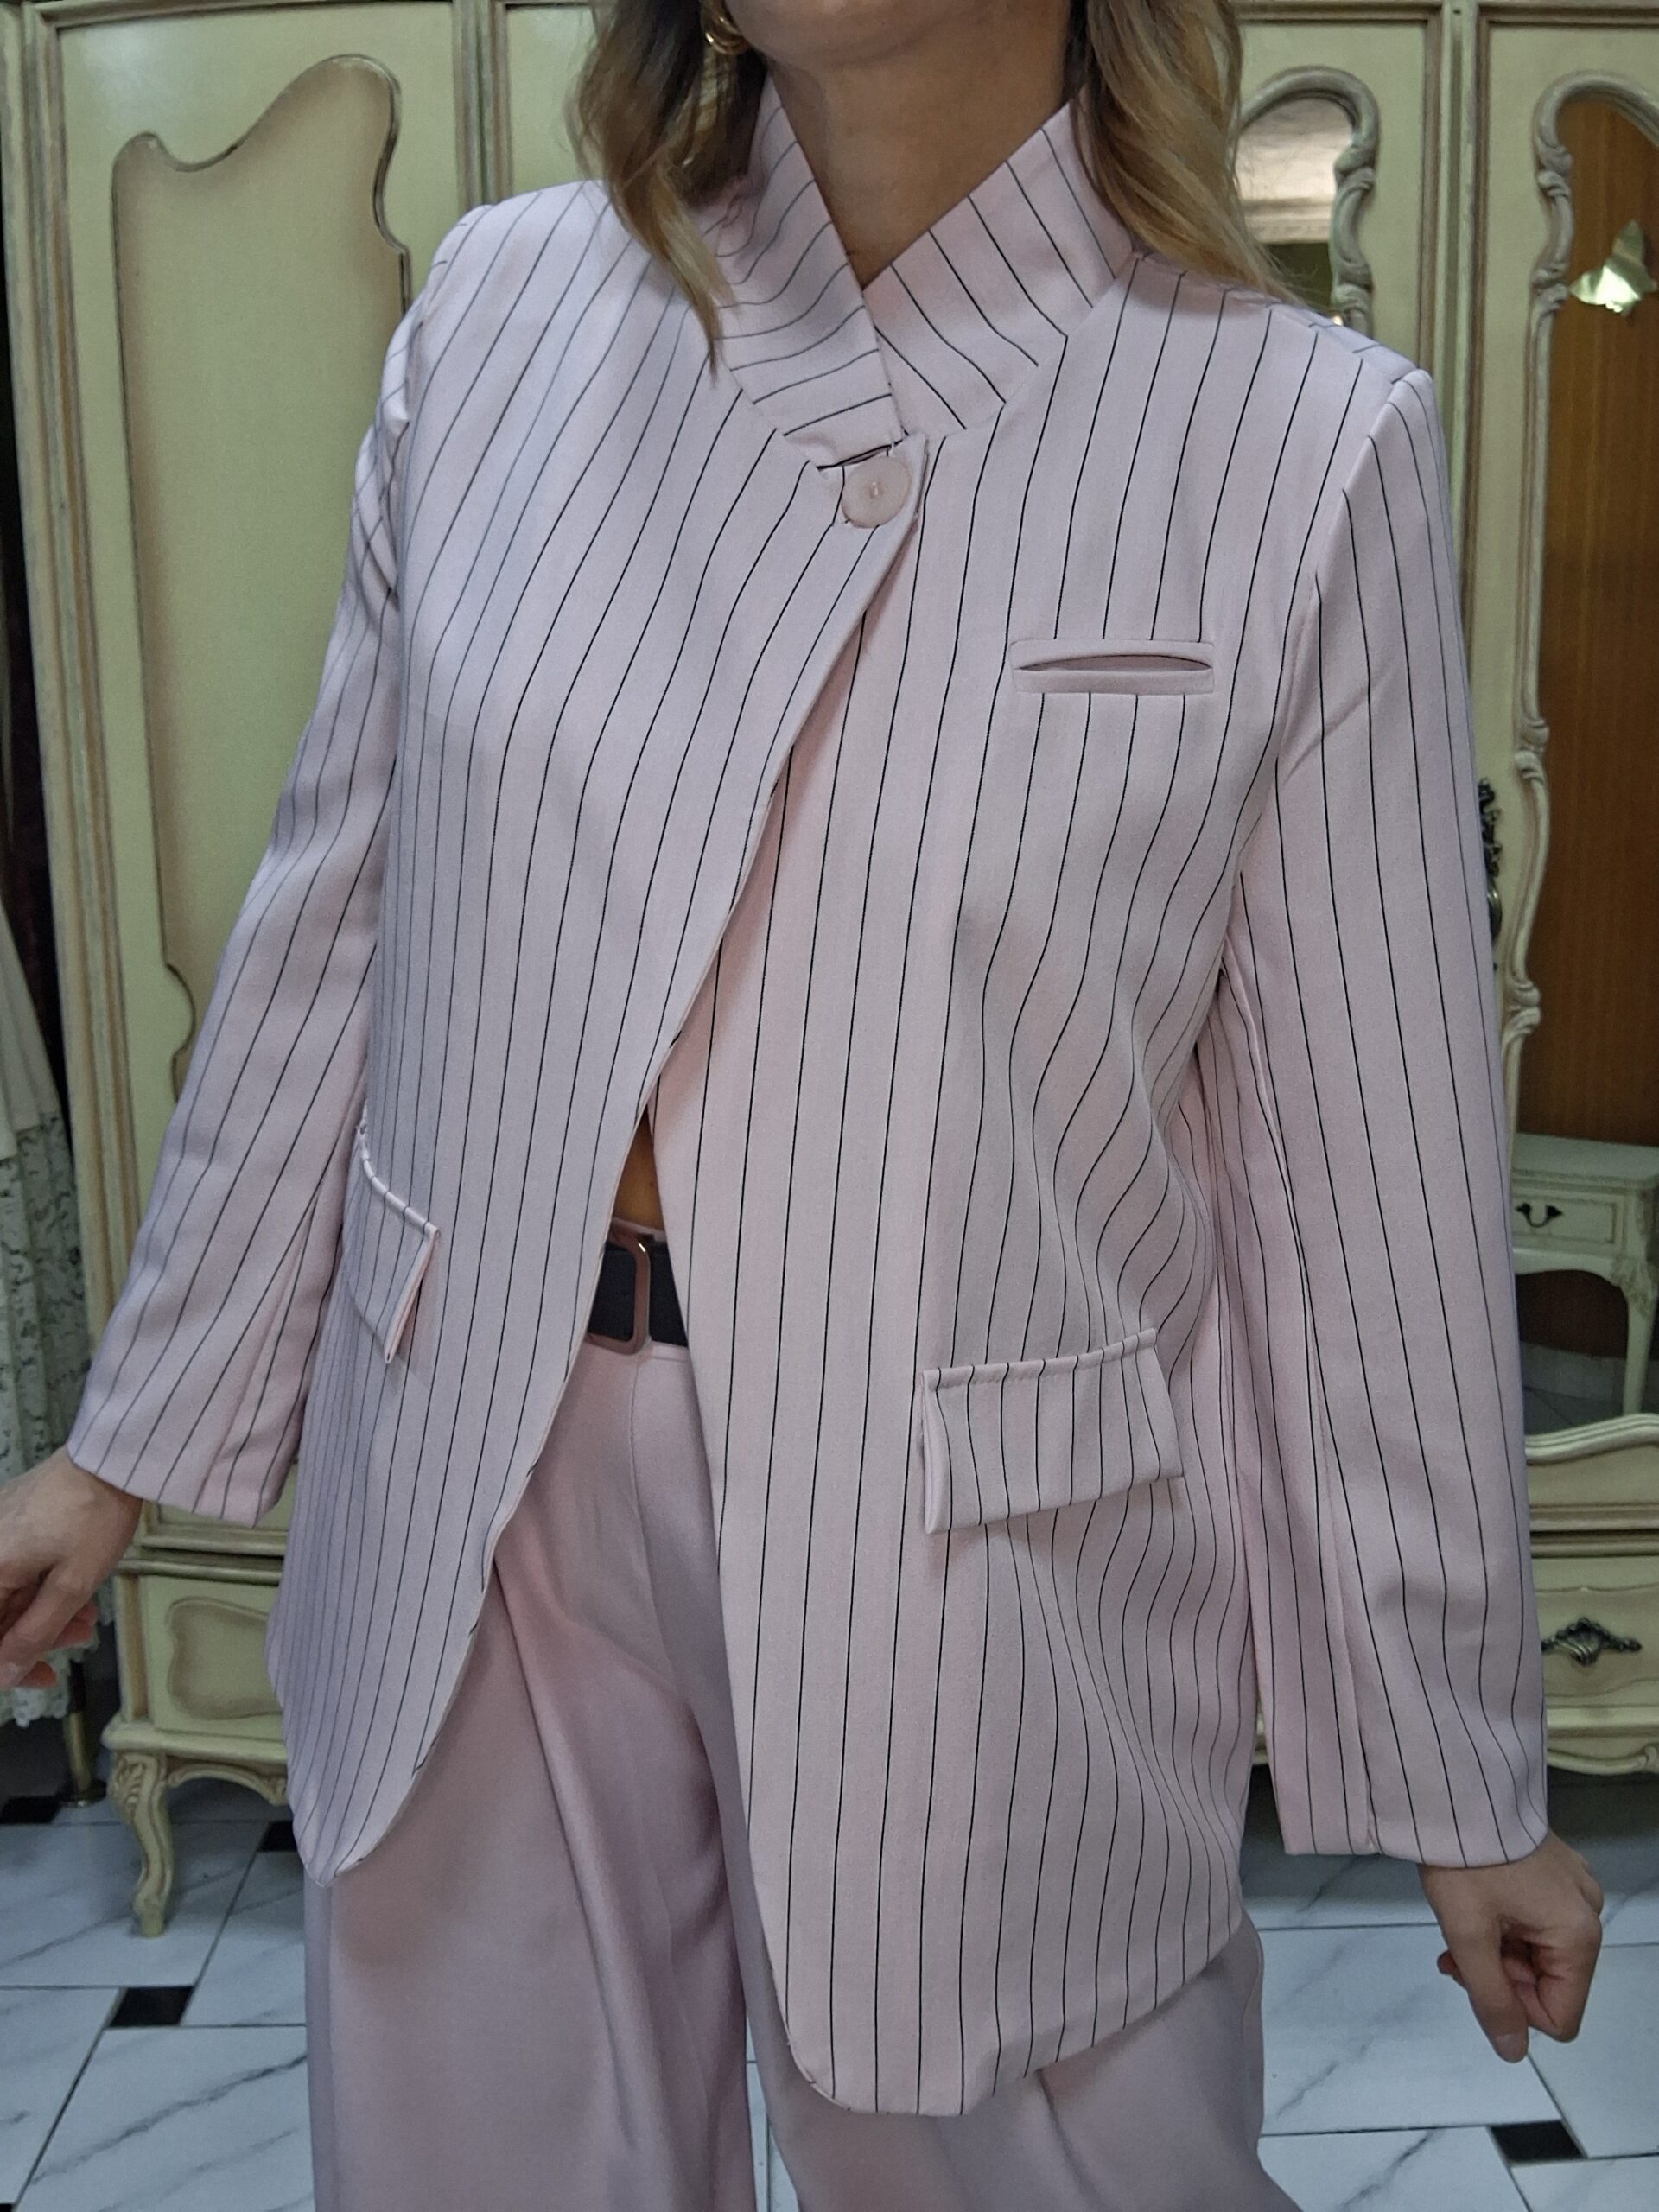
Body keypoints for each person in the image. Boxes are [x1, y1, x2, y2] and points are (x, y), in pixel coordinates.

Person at [0, 1, 1605, 2205]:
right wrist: (131, 1437)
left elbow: (1368, 1182)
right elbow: (334, 927)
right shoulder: (503, 318)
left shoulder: (1293, 442)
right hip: (471, 1452)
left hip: (979, 1524)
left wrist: (1455, 1761)